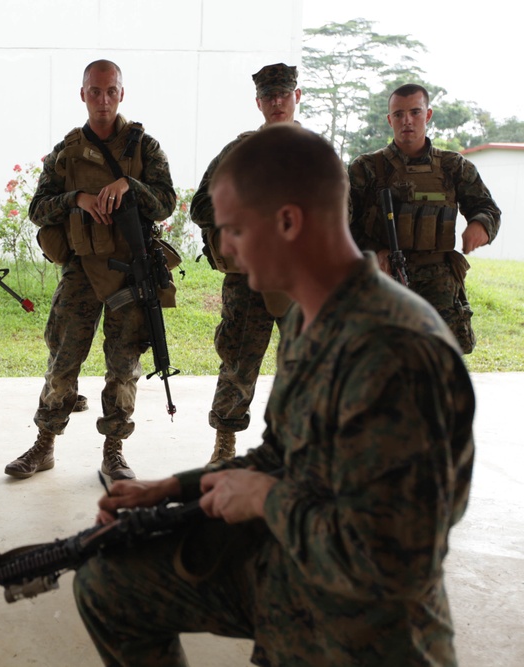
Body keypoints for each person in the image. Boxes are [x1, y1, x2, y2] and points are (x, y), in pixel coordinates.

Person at [72, 124, 475, 666]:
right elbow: (284, 455)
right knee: (110, 579)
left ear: (288, 222)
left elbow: (391, 565)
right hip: (299, 566)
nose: (226, 249)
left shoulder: (393, 351)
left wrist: (262, 498)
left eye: (234, 229)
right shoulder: (313, 319)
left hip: (368, 632)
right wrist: (171, 489)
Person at [4, 59, 176, 482]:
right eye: (94, 91)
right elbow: (38, 209)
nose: (103, 99)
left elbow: (167, 201)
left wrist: (128, 185)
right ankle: (44, 445)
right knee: (62, 362)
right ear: (82, 94)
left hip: (130, 274)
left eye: (111, 90)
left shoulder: (144, 147)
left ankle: (113, 452)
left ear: (122, 93)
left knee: (123, 367)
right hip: (81, 271)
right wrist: (77, 198)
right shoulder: (66, 152)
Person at [190, 63, 300, 465]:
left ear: (296, 97)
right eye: (269, 96)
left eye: (283, 94)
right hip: (248, 278)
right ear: (258, 102)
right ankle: (225, 446)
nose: (276, 102)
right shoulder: (238, 151)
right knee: (238, 361)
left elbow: (345, 212)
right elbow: (202, 204)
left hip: (300, 280)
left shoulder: (316, 154)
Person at [349, 82, 501, 354]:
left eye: (415, 112)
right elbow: (344, 226)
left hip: (439, 284)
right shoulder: (366, 168)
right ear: (389, 119)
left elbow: (487, 207)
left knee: (440, 364)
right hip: (384, 279)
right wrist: (375, 252)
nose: (407, 120)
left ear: (428, 115)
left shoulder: (453, 166)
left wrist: (480, 226)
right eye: (398, 114)